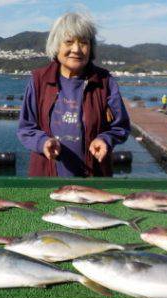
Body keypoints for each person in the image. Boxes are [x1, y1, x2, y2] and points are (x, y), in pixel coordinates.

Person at [17, 12, 130, 177]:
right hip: (46, 176)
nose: (76, 49)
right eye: (69, 42)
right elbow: (26, 128)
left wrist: (105, 139)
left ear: (91, 48)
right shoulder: (39, 80)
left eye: (84, 43)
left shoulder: (105, 81)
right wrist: (43, 142)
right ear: (56, 46)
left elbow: (120, 126)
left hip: (94, 177)